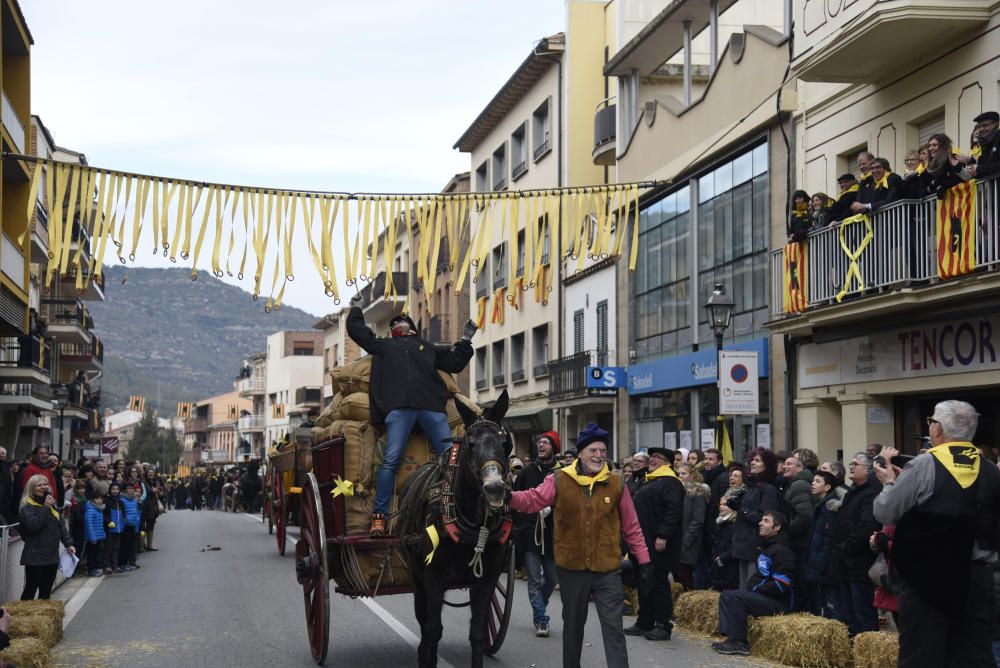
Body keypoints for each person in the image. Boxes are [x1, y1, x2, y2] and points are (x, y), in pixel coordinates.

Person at [508, 423, 652, 668]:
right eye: (593, 450)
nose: (598, 455)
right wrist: (508, 497)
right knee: (573, 628)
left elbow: (632, 526)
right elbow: (533, 499)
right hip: (572, 569)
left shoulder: (617, 484)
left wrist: (644, 559)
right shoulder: (560, 479)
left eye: (602, 451)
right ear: (581, 453)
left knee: (614, 628)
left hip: (607, 570)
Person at [873, 400, 1000, 666]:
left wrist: (890, 483)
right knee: (973, 656)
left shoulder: (923, 465)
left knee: (922, 656)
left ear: (938, 429)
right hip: (978, 580)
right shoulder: (990, 469)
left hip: (927, 579)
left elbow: (885, 512)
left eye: (931, 421)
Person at [347, 298, 476, 537]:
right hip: (399, 408)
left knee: (452, 459)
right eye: (396, 323)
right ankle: (379, 517)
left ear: (414, 330)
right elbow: (358, 332)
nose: (400, 324)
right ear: (393, 331)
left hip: (430, 408)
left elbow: (456, 363)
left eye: (404, 321)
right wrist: (356, 309)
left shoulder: (428, 348)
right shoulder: (384, 346)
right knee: (391, 459)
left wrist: (466, 340)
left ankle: (455, 510)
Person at [712, 511, 796, 656]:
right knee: (726, 595)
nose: (760, 523)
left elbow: (782, 584)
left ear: (777, 528)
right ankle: (731, 637)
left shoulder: (782, 551)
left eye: (766, 521)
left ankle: (740, 643)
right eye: (761, 520)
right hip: (764, 598)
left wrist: (756, 589)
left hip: (779, 603)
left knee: (737, 597)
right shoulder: (767, 547)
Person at [625, 446, 683, 642]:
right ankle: (645, 620)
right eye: (652, 457)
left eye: (658, 457)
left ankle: (662, 624)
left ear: (667, 463)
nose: (653, 460)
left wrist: (663, 535)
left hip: (657, 542)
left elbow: (673, 511)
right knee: (643, 581)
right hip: (641, 541)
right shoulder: (649, 480)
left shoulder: (671, 482)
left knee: (658, 582)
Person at [513, 430, 561, 637]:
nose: (541, 446)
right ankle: (541, 619)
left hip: (552, 534)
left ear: (554, 448)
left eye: (545, 443)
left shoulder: (561, 473)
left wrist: (553, 509)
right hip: (529, 532)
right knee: (534, 579)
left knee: (550, 578)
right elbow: (514, 498)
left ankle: (539, 605)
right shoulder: (527, 472)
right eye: (539, 442)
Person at [830, 452, 881, 636]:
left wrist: (846, 548)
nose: (850, 466)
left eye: (855, 464)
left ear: (867, 470)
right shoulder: (853, 491)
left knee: (863, 613)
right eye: (850, 463)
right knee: (848, 613)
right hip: (845, 563)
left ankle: (866, 656)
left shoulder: (871, 493)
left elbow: (865, 527)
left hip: (859, 563)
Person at [18, 474, 75, 599]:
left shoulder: (50, 503)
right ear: (32, 488)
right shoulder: (27, 507)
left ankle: (43, 617)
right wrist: (45, 508)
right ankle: (24, 618)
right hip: (35, 556)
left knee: (46, 590)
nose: (43, 487)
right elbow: (33, 526)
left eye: (45, 484)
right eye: (39, 485)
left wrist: (69, 544)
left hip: (51, 555)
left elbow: (61, 526)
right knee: (31, 589)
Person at [730, 448, 780, 589]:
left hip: (755, 546)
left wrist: (743, 510)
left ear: (767, 465)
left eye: (757, 460)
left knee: (752, 587)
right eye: (752, 459)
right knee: (743, 587)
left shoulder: (768, 489)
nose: (752, 462)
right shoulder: (751, 487)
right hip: (744, 545)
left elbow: (764, 517)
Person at [804, 470, 841, 619]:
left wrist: (820, 563)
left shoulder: (830, 508)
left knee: (832, 606)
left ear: (827, 487)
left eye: (818, 481)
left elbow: (828, 539)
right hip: (820, 564)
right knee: (825, 604)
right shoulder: (821, 506)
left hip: (826, 566)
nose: (813, 483)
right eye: (813, 480)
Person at [779, 455, 815, 610]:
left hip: (801, 542)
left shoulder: (799, 485)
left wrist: (789, 533)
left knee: (801, 583)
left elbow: (805, 515)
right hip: (802, 541)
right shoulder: (796, 483)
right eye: (784, 463)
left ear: (800, 468)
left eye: (789, 464)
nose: (784, 466)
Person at [698, 448, 729, 588]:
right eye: (705, 458)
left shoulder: (723, 477)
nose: (706, 462)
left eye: (711, 459)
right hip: (707, 527)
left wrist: (715, 528)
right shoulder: (705, 476)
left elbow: (722, 504)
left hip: (714, 529)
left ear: (720, 461)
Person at [675, 463, 709, 592]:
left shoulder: (698, 493)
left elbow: (697, 521)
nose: (680, 476)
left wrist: (686, 541)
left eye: (684, 473)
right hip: (680, 539)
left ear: (692, 475)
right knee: (679, 575)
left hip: (690, 541)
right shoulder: (680, 491)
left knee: (687, 576)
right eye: (679, 474)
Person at [968, 111, 1000, 180]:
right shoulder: (984, 144)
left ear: (996, 123)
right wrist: (974, 171)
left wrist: (979, 169)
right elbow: (983, 169)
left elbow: (983, 168)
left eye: (985, 125)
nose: (981, 129)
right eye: (979, 126)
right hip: (991, 189)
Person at [102, 480, 125, 574]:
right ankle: (106, 566)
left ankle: (115, 565)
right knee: (108, 547)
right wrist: (108, 521)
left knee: (116, 547)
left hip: (119, 527)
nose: (115, 491)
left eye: (117, 489)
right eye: (113, 489)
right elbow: (103, 513)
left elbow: (123, 513)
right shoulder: (106, 501)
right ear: (110, 490)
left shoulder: (120, 501)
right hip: (109, 528)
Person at [119, 484, 141, 571]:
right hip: (126, 524)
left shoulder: (135, 499)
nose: (131, 490)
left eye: (132, 488)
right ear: (125, 490)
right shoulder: (122, 499)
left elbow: (136, 510)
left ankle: (132, 562)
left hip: (133, 523)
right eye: (129, 488)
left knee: (133, 545)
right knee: (125, 545)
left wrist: (137, 520)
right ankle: (124, 563)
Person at [84, 494, 106, 577]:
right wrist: (92, 537)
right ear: (93, 500)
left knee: (96, 553)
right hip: (92, 537)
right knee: (91, 554)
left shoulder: (99, 509)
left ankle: (95, 568)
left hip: (98, 535)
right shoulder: (91, 510)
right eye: (97, 498)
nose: (99, 500)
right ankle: (91, 570)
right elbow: (89, 525)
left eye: (101, 498)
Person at [141, 469, 160, 551]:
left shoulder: (156, 482)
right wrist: (153, 490)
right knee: (143, 527)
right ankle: (141, 546)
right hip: (146, 506)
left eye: (152, 472)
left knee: (151, 526)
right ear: (146, 474)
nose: (151, 474)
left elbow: (160, 492)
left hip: (153, 507)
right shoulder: (143, 482)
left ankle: (150, 545)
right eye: (149, 473)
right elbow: (146, 492)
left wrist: (159, 491)